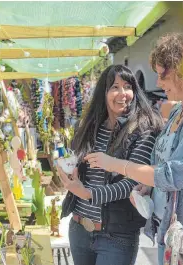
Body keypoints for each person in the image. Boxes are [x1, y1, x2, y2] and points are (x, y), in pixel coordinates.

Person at [85, 33, 183, 265]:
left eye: (161, 75)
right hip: (170, 230)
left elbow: (174, 176)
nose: (158, 83)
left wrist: (115, 164)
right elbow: (159, 162)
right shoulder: (179, 111)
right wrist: (147, 187)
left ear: (181, 71)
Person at [57, 65, 163, 265]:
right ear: (104, 93)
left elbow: (134, 181)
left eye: (128, 86)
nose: (123, 94)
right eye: (115, 87)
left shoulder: (142, 129)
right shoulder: (90, 127)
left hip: (116, 236)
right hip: (79, 228)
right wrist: (68, 172)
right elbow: (77, 164)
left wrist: (88, 194)